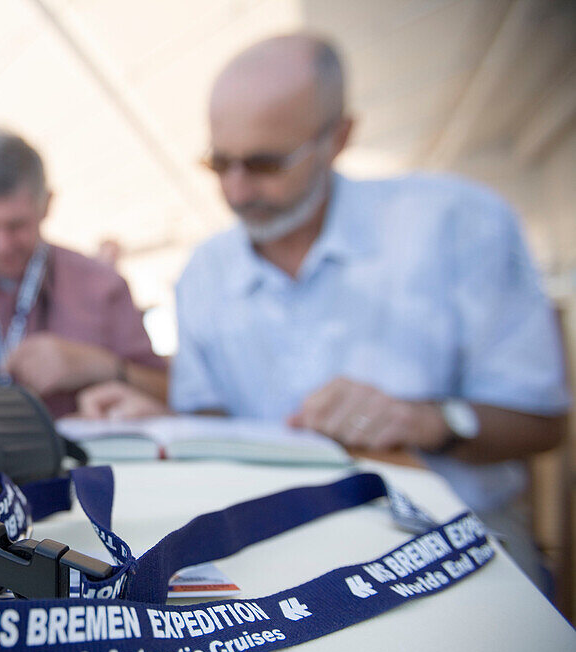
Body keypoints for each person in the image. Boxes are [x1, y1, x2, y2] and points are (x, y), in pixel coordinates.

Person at [79, 34, 568, 587]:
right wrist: (168, 426)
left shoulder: (459, 225)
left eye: (264, 164)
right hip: (272, 564)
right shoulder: (204, 274)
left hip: (464, 557)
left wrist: (429, 421)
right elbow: (216, 420)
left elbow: (541, 422)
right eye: (220, 163)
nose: (236, 192)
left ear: (339, 137)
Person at [0, 129, 167, 418]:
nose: (2, 245)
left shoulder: (103, 287)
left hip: (80, 459)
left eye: (16, 225)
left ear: (47, 204)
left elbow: (171, 392)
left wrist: (96, 365)